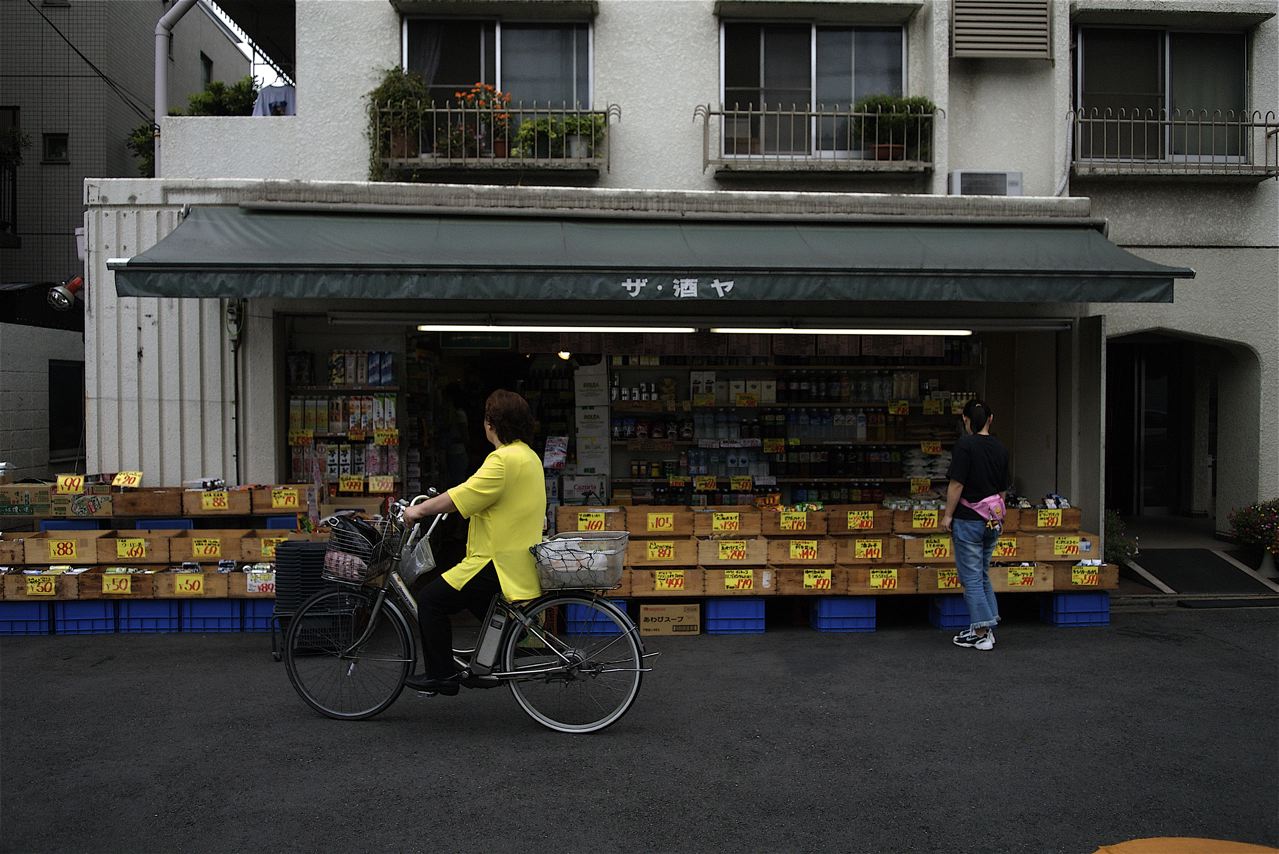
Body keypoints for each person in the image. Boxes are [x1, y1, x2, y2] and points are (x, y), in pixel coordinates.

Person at [400, 389, 546, 694]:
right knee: (482, 604)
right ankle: (489, 661)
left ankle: (441, 676)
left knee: (430, 601)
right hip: (517, 559)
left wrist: (418, 510)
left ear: (491, 424)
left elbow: (462, 495)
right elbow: (485, 495)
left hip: (496, 561)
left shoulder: (503, 460)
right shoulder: (528, 456)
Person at [941, 399, 1010, 652]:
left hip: (969, 519)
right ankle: (987, 627)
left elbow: (956, 484)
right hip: (992, 520)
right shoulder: (1001, 448)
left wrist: (948, 515)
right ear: (991, 419)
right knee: (981, 574)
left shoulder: (965, 445)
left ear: (965, 420)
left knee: (970, 577)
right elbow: (1003, 490)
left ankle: (981, 632)